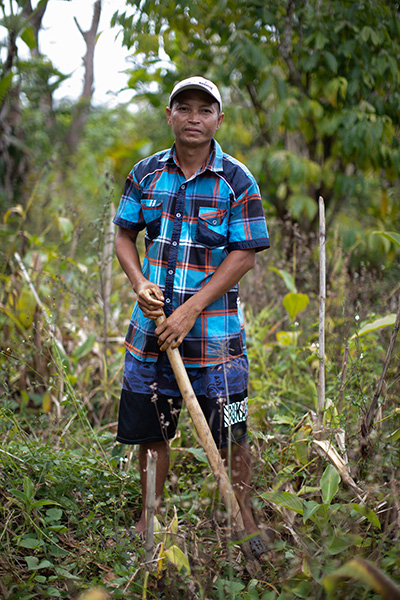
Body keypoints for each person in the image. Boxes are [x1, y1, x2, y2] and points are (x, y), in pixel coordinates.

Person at [113, 76, 270, 558]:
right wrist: (140, 283)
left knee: (231, 435)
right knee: (152, 432)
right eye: (185, 108)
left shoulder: (236, 180)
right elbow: (124, 236)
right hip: (150, 334)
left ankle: (244, 519)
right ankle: (149, 520)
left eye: (205, 110)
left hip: (215, 340)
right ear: (170, 115)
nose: (194, 118)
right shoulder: (145, 174)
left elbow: (245, 253)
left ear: (219, 120)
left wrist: (190, 310)